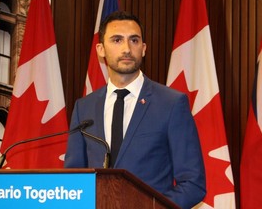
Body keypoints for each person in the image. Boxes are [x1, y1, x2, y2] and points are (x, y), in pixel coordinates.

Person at [64, 11, 206, 208]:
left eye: (134, 40)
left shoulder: (171, 104)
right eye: (116, 40)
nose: (127, 49)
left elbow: (193, 184)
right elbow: (73, 180)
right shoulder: (84, 107)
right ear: (100, 49)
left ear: (144, 48)